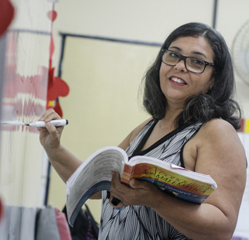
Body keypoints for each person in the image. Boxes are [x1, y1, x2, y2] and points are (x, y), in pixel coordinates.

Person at [38, 22, 247, 240]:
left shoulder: (216, 132)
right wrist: (54, 148)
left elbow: (222, 228)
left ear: (214, 79)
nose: (180, 66)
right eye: (174, 55)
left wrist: (154, 199)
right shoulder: (148, 127)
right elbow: (95, 186)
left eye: (196, 61)